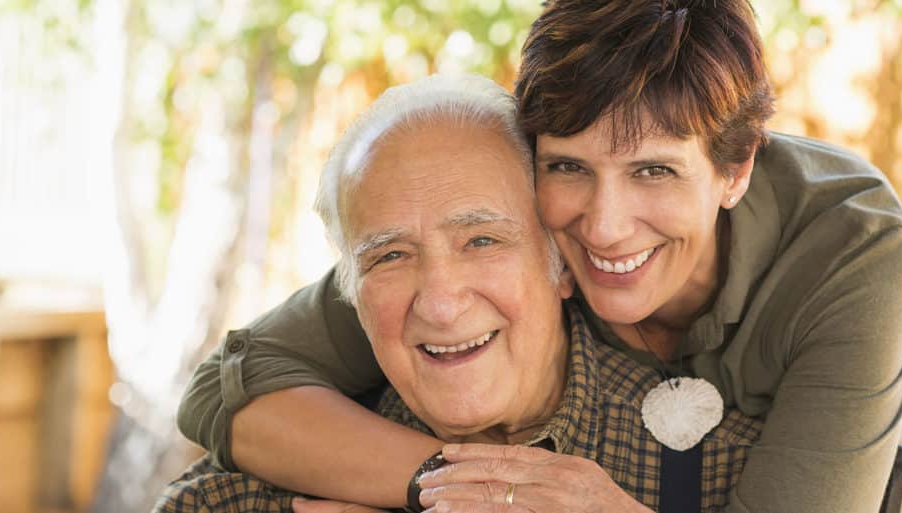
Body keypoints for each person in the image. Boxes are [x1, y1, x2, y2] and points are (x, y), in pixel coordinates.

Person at [178, 1, 902, 512]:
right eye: (569, 166)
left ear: (735, 170)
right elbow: (226, 390)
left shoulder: (852, 254)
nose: (602, 227)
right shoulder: (484, 241)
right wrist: (453, 486)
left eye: (653, 172)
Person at [156, 73, 763, 513]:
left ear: (563, 263)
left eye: (482, 241)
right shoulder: (244, 494)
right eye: (390, 256)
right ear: (354, 296)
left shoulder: (726, 469)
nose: (440, 303)